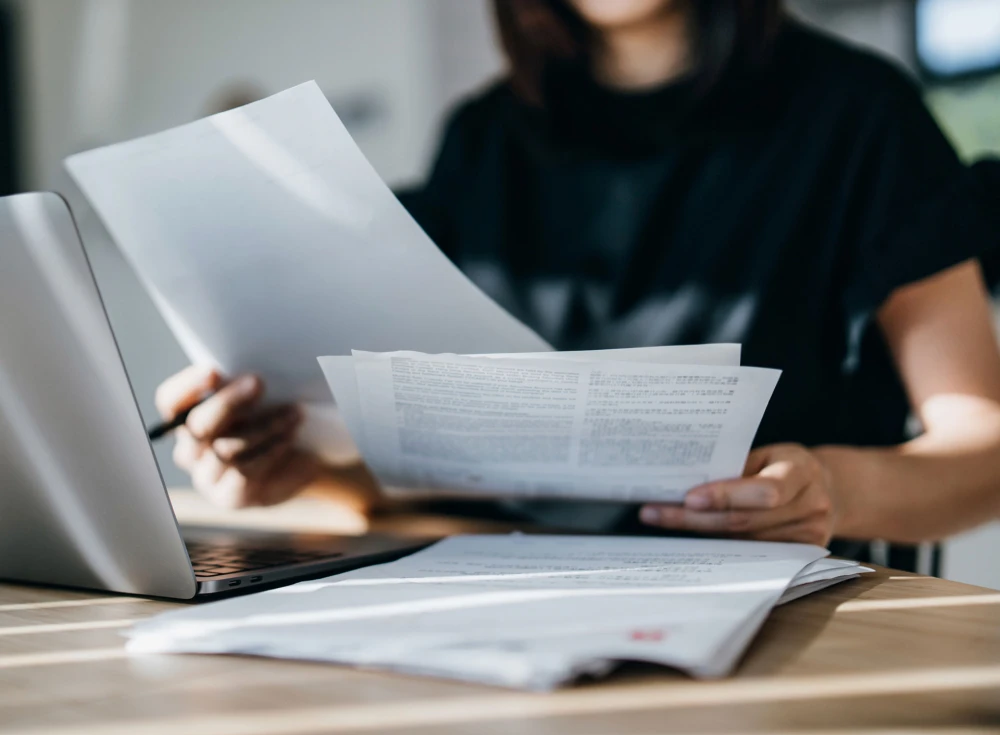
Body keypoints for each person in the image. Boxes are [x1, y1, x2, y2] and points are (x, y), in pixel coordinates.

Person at [155, 0, 1000, 552]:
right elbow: (450, 465)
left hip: (776, 616)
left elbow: (984, 451)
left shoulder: (862, 118)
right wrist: (302, 466)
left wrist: (834, 490)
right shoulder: (481, 141)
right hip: (497, 599)